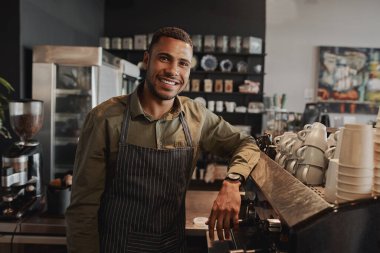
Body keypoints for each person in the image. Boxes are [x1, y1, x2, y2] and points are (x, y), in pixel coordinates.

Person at [65, 26, 260, 253]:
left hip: (171, 245)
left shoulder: (196, 115)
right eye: (164, 58)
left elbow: (246, 143)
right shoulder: (105, 119)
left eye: (183, 63)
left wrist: (232, 182)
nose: (172, 70)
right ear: (147, 60)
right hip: (116, 246)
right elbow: (83, 208)